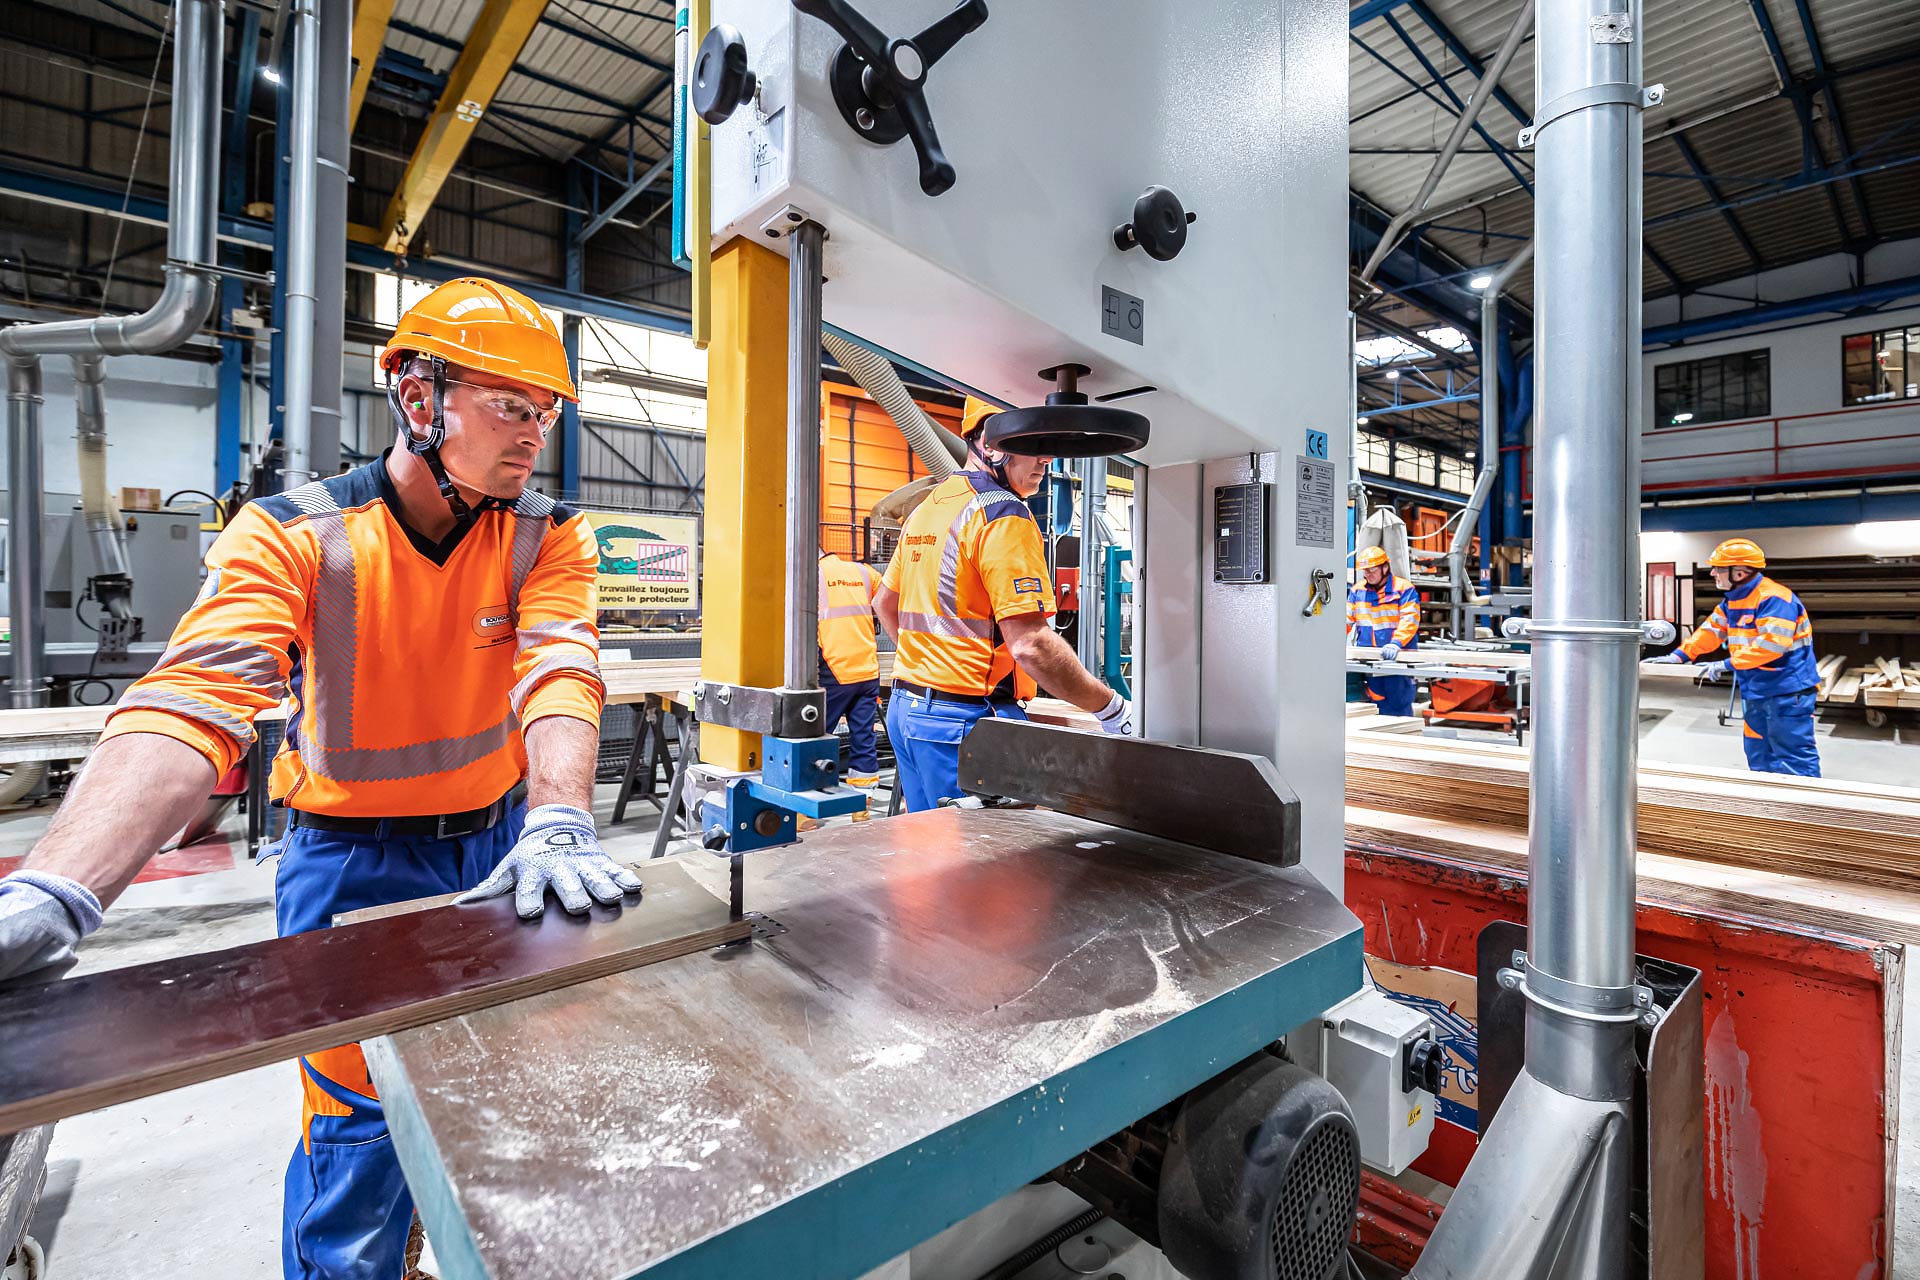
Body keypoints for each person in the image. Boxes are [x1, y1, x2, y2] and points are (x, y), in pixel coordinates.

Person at [0, 277, 643, 1280]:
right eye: (510, 404)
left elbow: (560, 667)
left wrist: (558, 816)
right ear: (419, 398)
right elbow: (195, 699)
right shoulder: (293, 532)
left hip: (503, 855)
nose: (533, 434)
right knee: (359, 1131)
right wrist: (61, 885)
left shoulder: (544, 532)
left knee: (492, 1095)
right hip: (351, 866)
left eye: (544, 411)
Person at [872, 397, 1131, 811]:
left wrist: (931, 666)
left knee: (928, 844)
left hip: (909, 712)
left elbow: (885, 602)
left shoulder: (929, 508)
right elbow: (1031, 645)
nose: (1046, 457)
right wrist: (1111, 708)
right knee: (982, 850)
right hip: (964, 724)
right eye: (1032, 442)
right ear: (991, 445)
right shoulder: (1002, 513)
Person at [1645, 536, 1820, 777]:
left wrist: (1726, 664)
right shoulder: (1734, 601)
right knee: (1759, 754)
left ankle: (1800, 801)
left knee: (1792, 756)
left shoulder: (1774, 599)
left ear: (1738, 572)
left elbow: (1772, 645)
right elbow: (1711, 631)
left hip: (1788, 691)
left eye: (1718, 568)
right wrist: (1679, 656)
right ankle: (1764, 799)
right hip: (1756, 689)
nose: (1713, 573)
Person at [817, 547, 883, 817]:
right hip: (867, 670)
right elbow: (888, 599)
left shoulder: (809, 575)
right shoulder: (864, 572)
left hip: (833, 669)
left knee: (814, 739)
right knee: (864, 739)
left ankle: (805, 814)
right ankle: (861, 809)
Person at [1347, 544, 1421, 716]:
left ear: (1385, 568)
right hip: (1371, 659)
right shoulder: (1357, 591)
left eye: (1371, 570)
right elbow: (1346, 619)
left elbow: (1409, 619)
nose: (1367, 574)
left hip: (1398, 658)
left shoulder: (1403, 589)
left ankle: (1403, 732)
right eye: (1365, 571)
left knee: (1399, 704)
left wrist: (1396, 643)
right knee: (1377, 704)